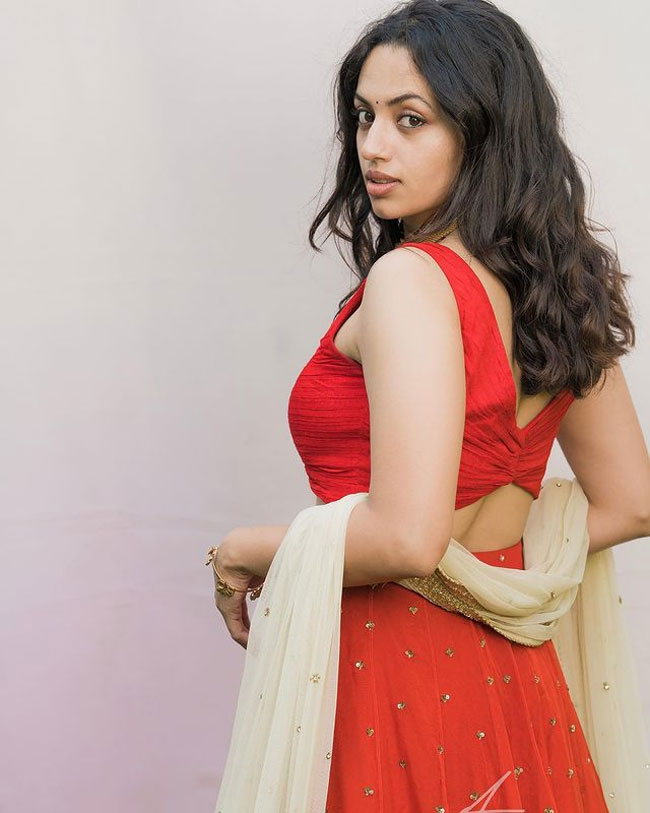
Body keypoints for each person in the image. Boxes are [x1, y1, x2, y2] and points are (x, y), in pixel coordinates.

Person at [211, 1, 650, 810]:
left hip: (393, 679)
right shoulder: (558, 286)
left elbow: (409, 539)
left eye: (410, 120)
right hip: (518, 684)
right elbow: (631, 502)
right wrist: (491, 564)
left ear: (484, 131)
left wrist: (244, 550)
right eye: (364, 117)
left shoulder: (412, 280)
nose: (373, 146)